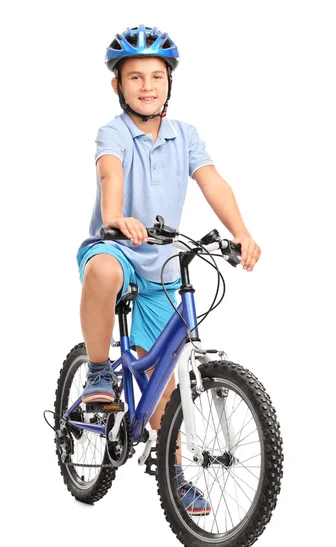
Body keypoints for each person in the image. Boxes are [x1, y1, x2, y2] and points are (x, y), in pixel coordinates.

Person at [76, 24, 261, 515]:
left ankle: (174, 472)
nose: (147, 86)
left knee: (165, 392)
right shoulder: (113, 132)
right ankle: (97, 371)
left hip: (161, 265)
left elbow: (212, 182)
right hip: (116, 247)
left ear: (169, 82)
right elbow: (109, 171)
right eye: (135, 77)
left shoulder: (186, 135)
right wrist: (115, 216)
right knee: (102, 273)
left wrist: (240, 230)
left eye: (156, 76)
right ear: (118, 85)